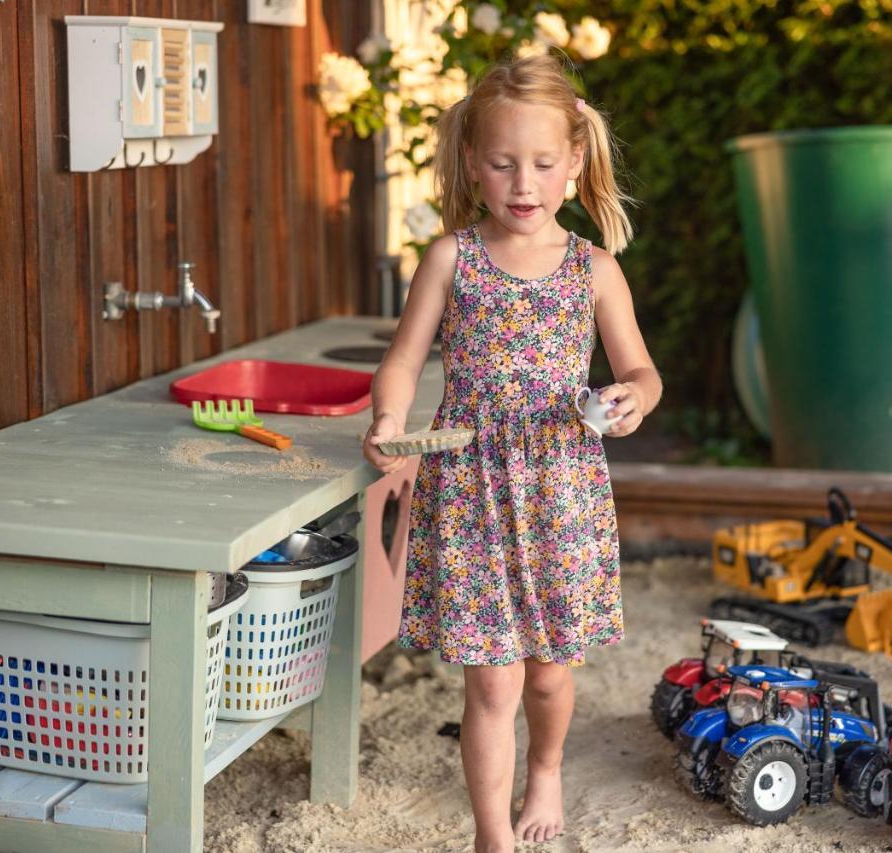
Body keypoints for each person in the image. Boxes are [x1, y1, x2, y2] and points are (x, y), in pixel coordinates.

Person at [362, 54, 661, 853]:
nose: (521, 183)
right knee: (491, 678)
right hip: (471, 488)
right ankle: (492, 836)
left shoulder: (593, 269)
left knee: (550, 673)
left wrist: (634, 397)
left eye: (539, 164)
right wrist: (390, 411)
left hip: (561, 488)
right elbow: (402, 357)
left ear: (574, 165)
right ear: (472, 163)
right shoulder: (450, 259)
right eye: (502, 164)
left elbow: (640, 369)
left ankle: (550, 766)